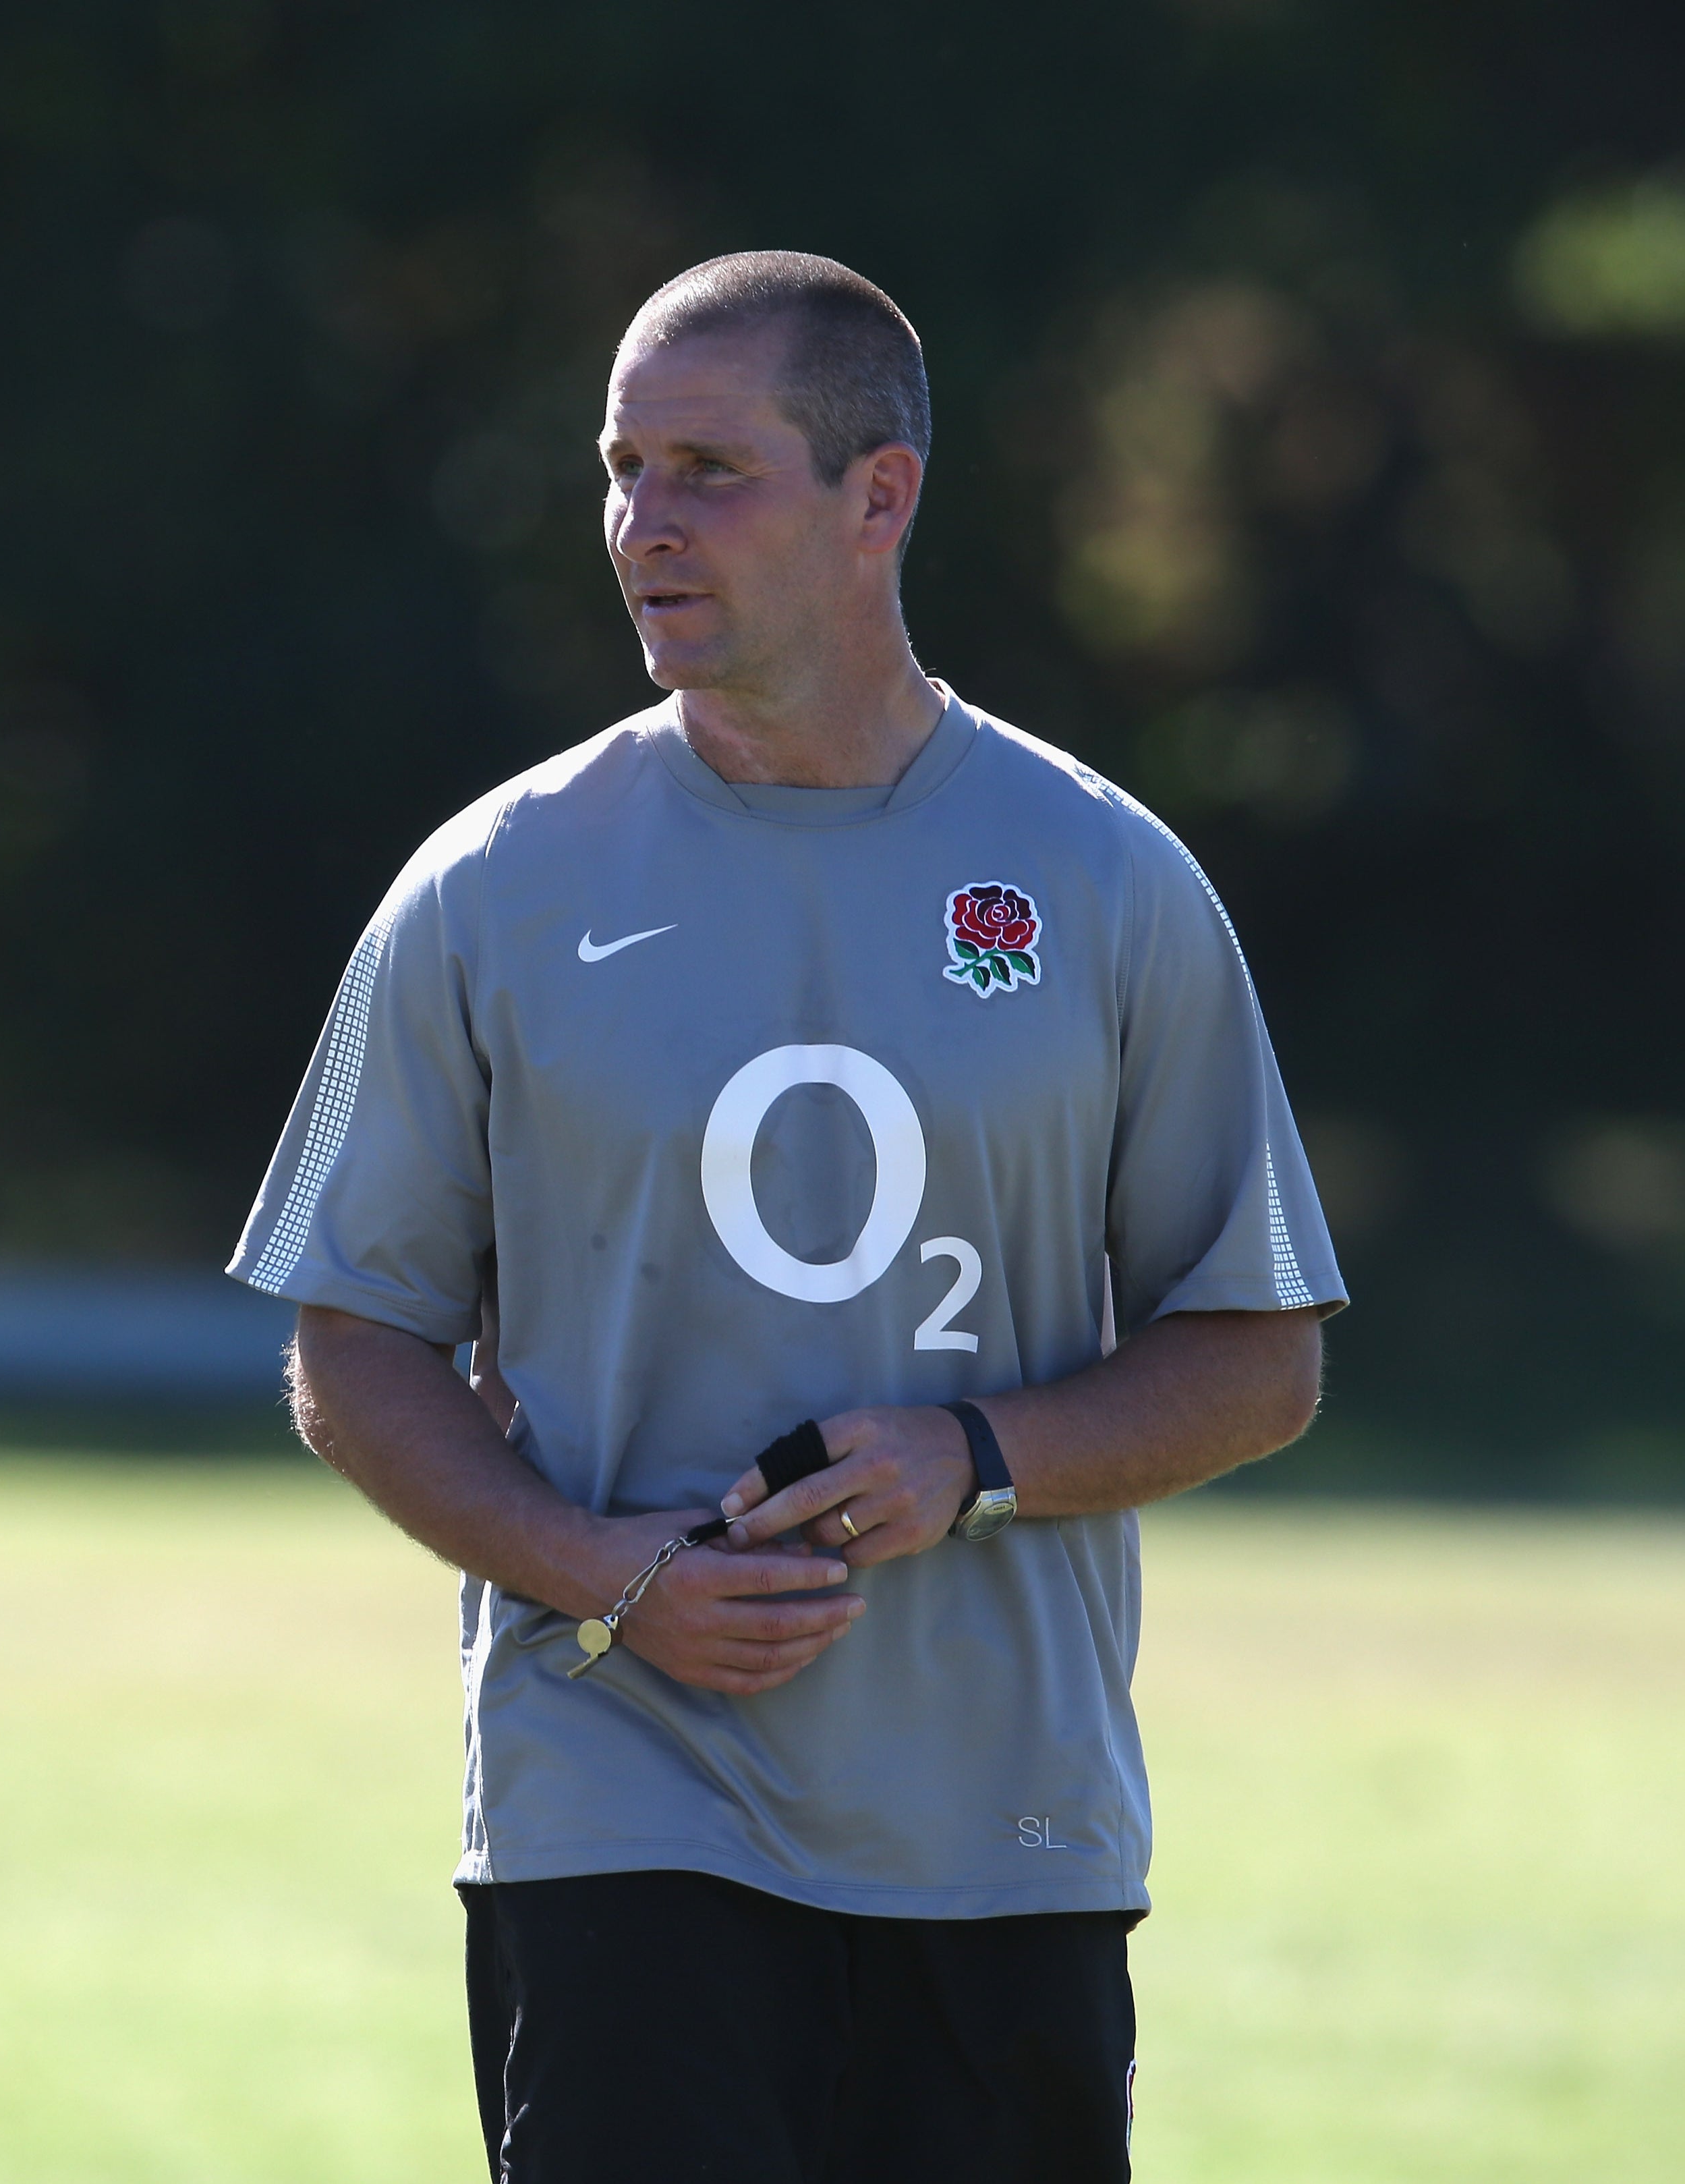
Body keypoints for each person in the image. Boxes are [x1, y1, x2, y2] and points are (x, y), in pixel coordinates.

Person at [231, 251, 1341, 2183]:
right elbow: (349, 1341)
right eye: (619, 467)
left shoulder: (1098, 877)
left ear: (877, 497)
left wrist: (973, 1456)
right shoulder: (489, 886)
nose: (641, 526)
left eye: (709, 471)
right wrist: (598, 1569)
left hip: (1003, 1831)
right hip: (615, 1806)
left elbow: (1256, 1356)